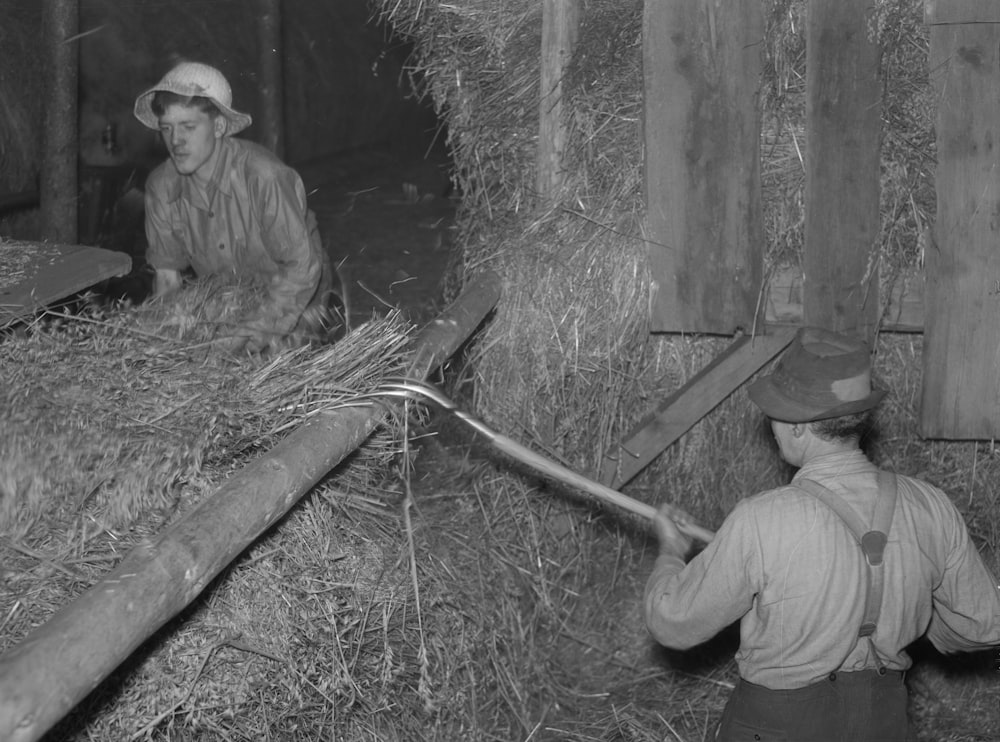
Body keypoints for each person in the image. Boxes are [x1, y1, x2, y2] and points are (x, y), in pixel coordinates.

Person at [644, 327, 1000, 741]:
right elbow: (983, 625)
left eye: (775, 414)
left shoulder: (762, 519)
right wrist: (920, 609)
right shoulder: (931, 507)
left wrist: (671, 550)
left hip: (777, 727)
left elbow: (672, 621)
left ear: (797, 426)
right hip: (882, 725)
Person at [133, 61, 341, 352]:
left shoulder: (262, 177)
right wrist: (168, 336)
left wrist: (256, 330)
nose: (175, 141)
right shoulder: (161, 186)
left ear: (218, 126)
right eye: (166, 128)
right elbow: (167, 278)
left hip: (296, 295)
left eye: (188, 127)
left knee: (269, 373)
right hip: (228, 296)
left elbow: (301, 268)